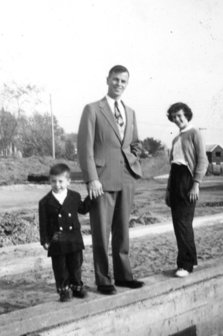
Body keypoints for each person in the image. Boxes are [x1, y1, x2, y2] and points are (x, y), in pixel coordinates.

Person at [78, 65, 144, 295]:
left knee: (123, 230)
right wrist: (91, 179)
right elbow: (84, 148)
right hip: (102, 180)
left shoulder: (131, 112)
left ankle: (125, 276)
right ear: (107, 79)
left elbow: (135, 143)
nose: (119, 84)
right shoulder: (93, 109)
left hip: (127, 178)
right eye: (115, 80)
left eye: (123, 81)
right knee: (101, 231)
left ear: (127, 84)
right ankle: (104, 280)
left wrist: (133, 159)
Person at [165, 102, 208, 277]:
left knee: (183, 223)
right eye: (174, 117)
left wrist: (196, 184)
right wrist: (168, 190)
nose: (177, 119)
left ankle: (186, 265)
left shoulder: (194, 132)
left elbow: (203, 160)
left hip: (187, 179)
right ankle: (192, 260)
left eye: (180, 115)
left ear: (187, 115)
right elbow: (173, 166)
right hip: (175, 179)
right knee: (180, 223)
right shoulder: (176, 138)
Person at [38, 163, 90, 302]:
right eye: (53, 181)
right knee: (60, 267)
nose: (57, 185)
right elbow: (43, 223)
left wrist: (92, 196)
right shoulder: (45, 202)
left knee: (76, 264)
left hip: (74, 239)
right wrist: (44, 240)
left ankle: (76, 286)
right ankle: (64, 290)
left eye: (60, 181)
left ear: (68, 181)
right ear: (49, 181)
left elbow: (83, 209)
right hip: (57, 240)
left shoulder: (74, 196)